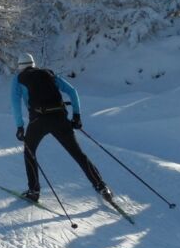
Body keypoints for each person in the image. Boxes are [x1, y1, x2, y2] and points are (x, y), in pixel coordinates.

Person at [10, 53, 111, 203]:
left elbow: (15, 104)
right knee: (78, 154)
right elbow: (72, 92)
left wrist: (20, 127)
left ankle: (34, 191)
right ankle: (101, 186)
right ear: (33, 64)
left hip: (38, 120)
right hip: (59, 119)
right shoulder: (48, 74)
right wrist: (76, 116)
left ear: (20, 67)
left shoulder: (18, 79)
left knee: (29, 153)